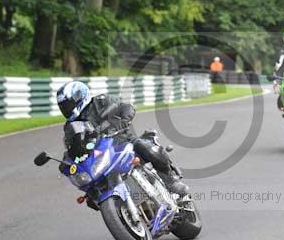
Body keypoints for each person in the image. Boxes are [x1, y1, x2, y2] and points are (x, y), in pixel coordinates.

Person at [56, 81, 189, 196]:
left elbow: (125, 106)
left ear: (80, 96)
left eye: (68, 105)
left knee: (145, 148)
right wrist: (66, 160)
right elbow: (71, 146)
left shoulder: (101, 101)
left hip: (123, 141)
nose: (66, 109)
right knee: (90, 192)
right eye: (63, 107)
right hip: (99, 158)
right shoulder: (70, 126)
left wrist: (125, 119)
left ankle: (170, 180)